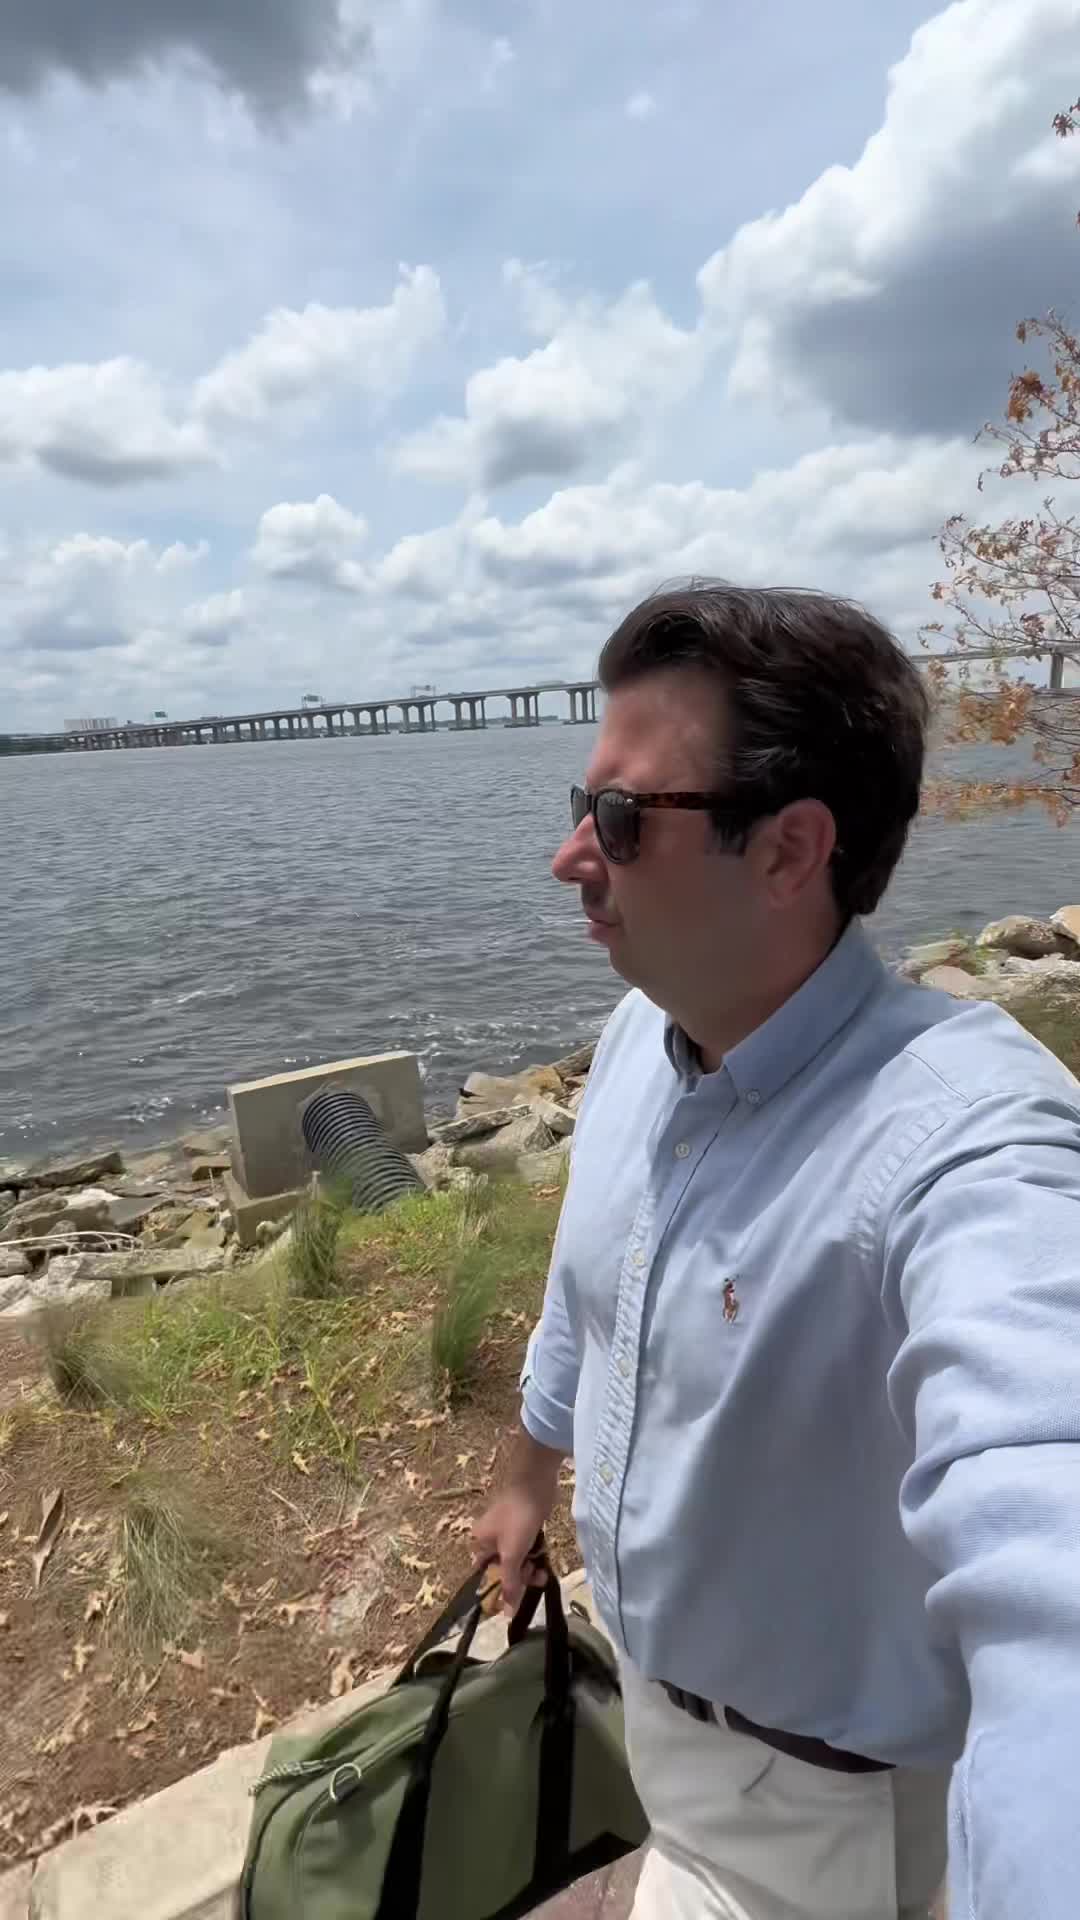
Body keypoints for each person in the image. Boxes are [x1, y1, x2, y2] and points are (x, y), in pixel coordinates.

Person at [474, 581, 1080, 1920]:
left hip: (821, 1826)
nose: (571, 857)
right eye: (581, 805)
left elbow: (1050, 1519)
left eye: (621, 818)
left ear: (791, 851)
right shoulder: (644, 1037)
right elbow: (587, 1297)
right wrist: (524, 1479)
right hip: (664, 1727)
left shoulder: (965, 1143)